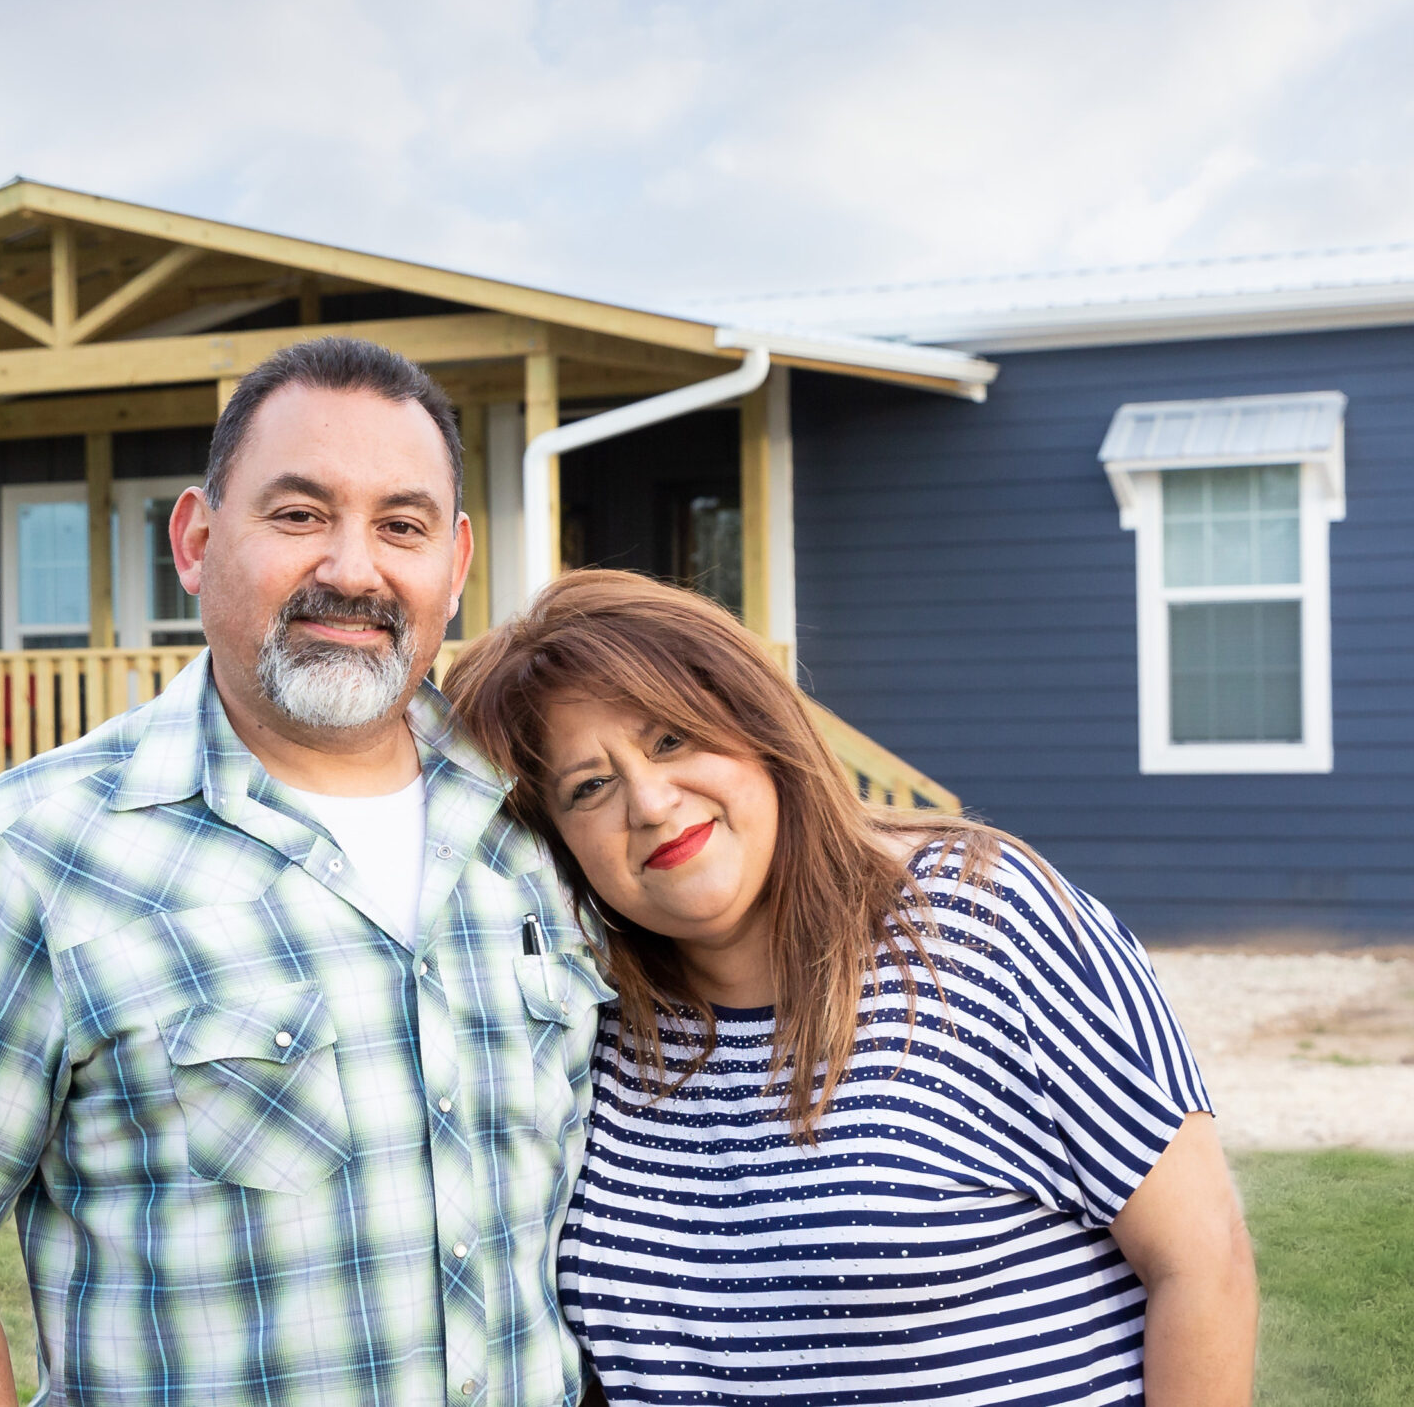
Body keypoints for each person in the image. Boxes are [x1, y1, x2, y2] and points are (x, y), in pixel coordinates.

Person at [0, 337, 608, 1406]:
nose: (351, 567)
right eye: (297, 515)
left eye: (401, 525)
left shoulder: (540, 818)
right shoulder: (36, 848)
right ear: (194, 539)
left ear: (455, 565)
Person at [444, 568, 1257, 1406]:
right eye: (590, 787)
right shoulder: (594, 1026)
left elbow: (1203, 1263)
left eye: (670, 741)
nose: (649, 803)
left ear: (758, 727)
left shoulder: (989, 920)